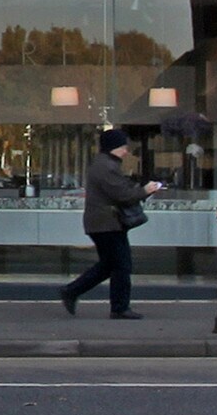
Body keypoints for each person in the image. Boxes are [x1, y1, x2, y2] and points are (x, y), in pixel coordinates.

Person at [60, 127, 164, 321]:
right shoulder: (106, 167)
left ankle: (74, 292)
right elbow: (122, 194)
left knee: (110, 264)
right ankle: (117, 307)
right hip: (107, 223)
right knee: (121, 265)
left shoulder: (104, 164)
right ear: (113, 147)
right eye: (122, 146)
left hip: (104, 223)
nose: (125, 151)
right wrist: (145, 190)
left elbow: (120, 191)